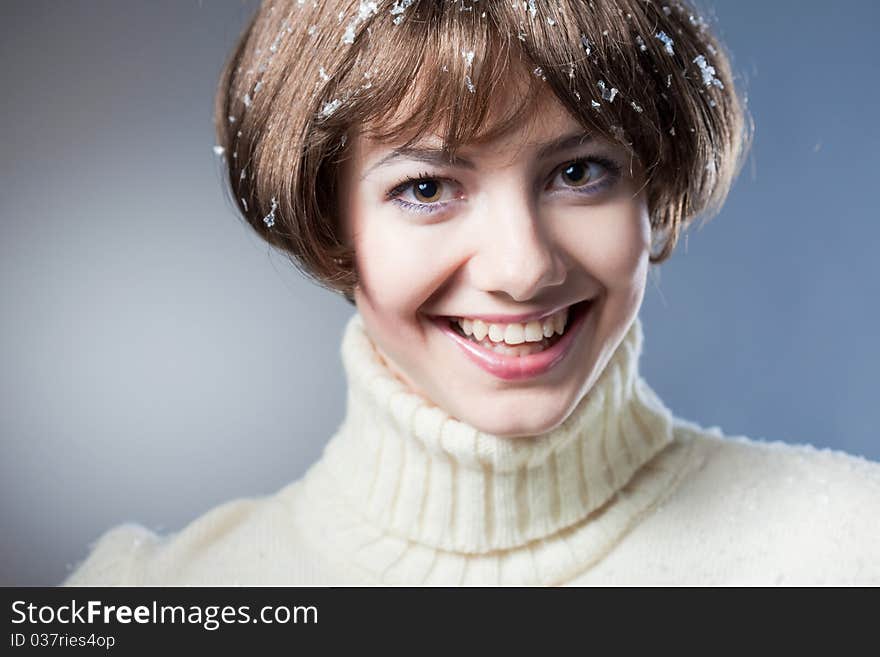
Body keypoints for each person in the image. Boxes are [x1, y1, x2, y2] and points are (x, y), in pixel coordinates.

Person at [64, 0, 879, 586]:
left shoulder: (850, 553)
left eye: (579, 171)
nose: (522, 268)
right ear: (329, 214)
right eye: (426, 188)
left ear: (649, 193)